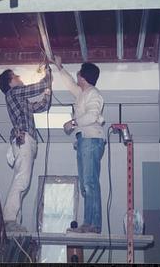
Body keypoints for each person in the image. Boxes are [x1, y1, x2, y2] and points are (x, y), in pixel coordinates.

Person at [52, 55, 105, 234]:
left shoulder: (93, 94)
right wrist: (60, 68)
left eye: (79, 73)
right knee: (85, 185)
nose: (76, 75)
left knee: (89, 183)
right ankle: (89, 223)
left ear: (83, 77)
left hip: (91, 139)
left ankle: (93, 225)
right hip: (85, 140)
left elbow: (92, 116)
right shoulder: (83, 93)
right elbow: (69, 84)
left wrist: (73, 123)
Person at [0, 67, 52, 232]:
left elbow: (42, 106)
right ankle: (8, 219)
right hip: (24, 139)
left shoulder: (22, 101)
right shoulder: (14, 93)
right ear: (10, 82)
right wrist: (47, 75)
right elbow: (37, 87)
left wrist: (48, 92)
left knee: (23, 181)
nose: (19, 77)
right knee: (22, 180)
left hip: (27, 140)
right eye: (15, 76)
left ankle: (12, 221)